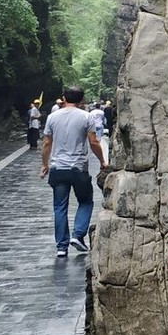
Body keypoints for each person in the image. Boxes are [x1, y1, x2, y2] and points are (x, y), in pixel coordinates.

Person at [40, 86, 106, 258]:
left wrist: (45, 164)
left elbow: (47, 143)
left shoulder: (52, 117)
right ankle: (77, 235)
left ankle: (61, 246)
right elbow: (93, 142)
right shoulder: (86, 116)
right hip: (78, 168)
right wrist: (102, 161)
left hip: (58, 168)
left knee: (59, 207)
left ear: (64, 98)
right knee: (85, 201)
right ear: (82, 101)